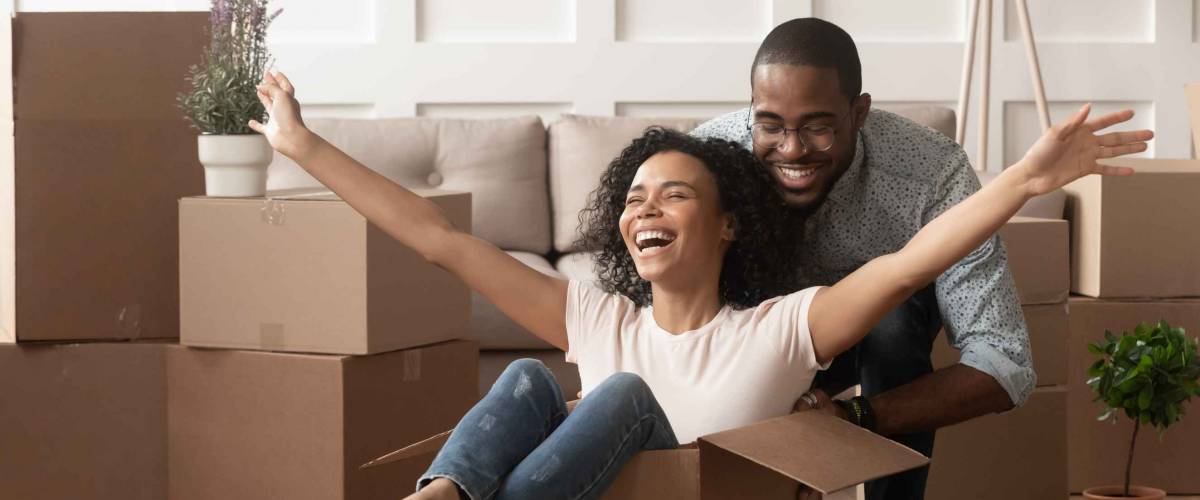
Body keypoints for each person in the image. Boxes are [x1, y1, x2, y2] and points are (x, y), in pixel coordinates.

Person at [249, 69, 1150, 500]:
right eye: (634, 197)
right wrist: (302, 145)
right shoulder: (594, 316)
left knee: (625, 395)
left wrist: (1023, 182)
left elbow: (909, 263)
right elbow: (437, 239)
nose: (646, 209)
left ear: (727, 225)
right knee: (527, 381)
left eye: (673, 194)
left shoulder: (778, 331)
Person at [689, 18, 1063, 498]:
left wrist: (856, 416)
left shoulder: (932, 172)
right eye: (770, 125)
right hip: (748, 334)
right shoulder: (709, 160)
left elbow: (1005, 364)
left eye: (818, 127)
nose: (792, 149)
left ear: (859, 111)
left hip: (879, 348)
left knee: (894, 316)